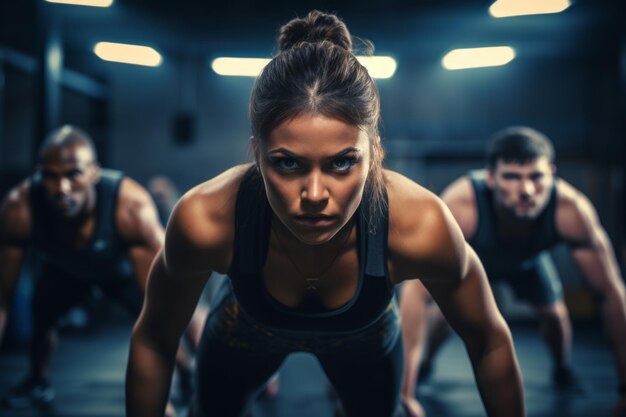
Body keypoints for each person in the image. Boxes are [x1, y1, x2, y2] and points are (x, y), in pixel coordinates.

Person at [126, 10, 525, 417]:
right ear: (256, 153)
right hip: (244, 337)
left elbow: (489, 340)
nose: (314, 195)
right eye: (287, 163)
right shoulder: (206, 218)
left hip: (365, 346)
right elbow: (155, 339)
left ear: (373, 152)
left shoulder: (421, 223)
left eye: (340, 164)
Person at [400, 126, 626, 416]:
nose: (527, 190)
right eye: (512, 177)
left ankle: (562, 369)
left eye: (536, 177)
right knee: (442, 314)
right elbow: (417, 294)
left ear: (552, 175)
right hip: (473, 262)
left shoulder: (571, 210)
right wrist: (404, 394)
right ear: (491, 178)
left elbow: (611, 292)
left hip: (528, 263)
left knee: (554, 315)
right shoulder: (461, 205)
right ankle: (424, 366)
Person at [0, 125, 197, 413]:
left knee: (155, 320)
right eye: (51, 177)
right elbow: (2, 299)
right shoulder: (19, 208)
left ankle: (188, 372)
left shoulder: (130, 207)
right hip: (64, 269)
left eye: (73, 174)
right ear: (39, 173)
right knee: (40, 319)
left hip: (120, 271)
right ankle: (38, 381)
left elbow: (170, 295)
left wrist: (158, 401)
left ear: (93, 173)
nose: (62, 188)